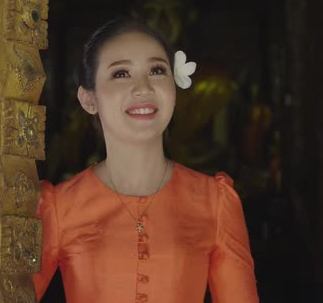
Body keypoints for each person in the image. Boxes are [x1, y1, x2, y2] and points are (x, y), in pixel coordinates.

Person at [33, 18, 258, 303]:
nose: (143, 87)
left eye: (156, 70)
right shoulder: (57, 208)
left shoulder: (215, 202)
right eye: (121, 74)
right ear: (89, 99)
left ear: (174, 89)